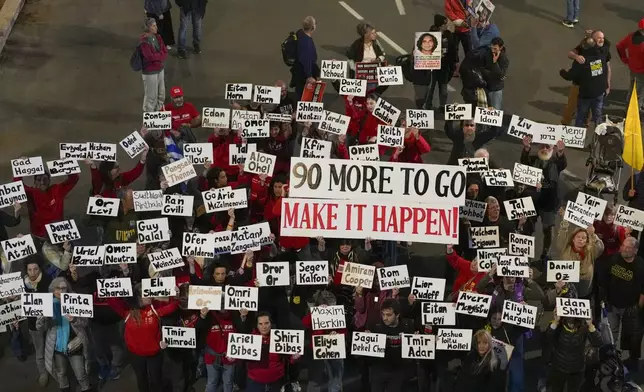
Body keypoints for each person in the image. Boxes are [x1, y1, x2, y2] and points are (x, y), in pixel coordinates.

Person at [597, 237, 644, 372]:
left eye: (628, 247)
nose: (624, 249)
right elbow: (603, 279)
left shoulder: (640, 264)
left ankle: (632, 360)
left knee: (633, 336)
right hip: (612, 304)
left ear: (635, 251)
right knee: (610, 333)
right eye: (623, 246)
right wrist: (603, 299)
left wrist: (639, 306)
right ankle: (609, 358)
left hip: (631, 307)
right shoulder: (614, 259)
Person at [36, 277, 92, 392]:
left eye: (63, 288)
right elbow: (40, 328)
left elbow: (85, 322)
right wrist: (42, 319)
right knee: (61, 372)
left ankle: (86, 388)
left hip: (75, 343)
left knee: (80, 373)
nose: (60, 291)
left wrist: (74, 319)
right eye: (57, 288)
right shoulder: (47, 303)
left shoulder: (75, 300)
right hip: (57, 346)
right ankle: (64, 388)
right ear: (52, 289)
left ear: (68, 289)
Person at [520, 137, 567, 258]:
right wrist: (526, 148)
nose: (545, 149)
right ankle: (524, 254)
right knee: (528, 227)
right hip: (532, 201)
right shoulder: (533, 159)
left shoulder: (556, 162)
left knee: (548, 229)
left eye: (548, 147)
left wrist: (561, 152)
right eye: (542, 146)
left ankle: (545, 254)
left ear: (553, 148)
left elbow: (562, 164)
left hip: (549, 202)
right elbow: (524, 163)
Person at [13, 170, 79, 244]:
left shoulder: (57, 189)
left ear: (49, 181)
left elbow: (73, 179)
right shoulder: (31, 193)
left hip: (57, 234)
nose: (42, 182)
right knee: (39, 254)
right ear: (34, 182)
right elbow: (17, 185)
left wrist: (68, 165)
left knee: (63, 254)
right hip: (39, 236)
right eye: (38, 180)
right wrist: (21, 167)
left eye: (45, 179)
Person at [561, 30, 612, 125]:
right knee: (597, 115)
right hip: (598, 91)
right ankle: (598, 134)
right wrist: (576, 56)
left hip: (584, 90)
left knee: (580, 113)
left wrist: (562, 72)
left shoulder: (583, 60)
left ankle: (578, 130)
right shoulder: (602, 53)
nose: (601, 40)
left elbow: (571, 75)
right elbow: (570, 53)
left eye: (602, 38)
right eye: (599, 38)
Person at [547, 308, 602, 392]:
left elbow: (598, 342)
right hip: (559, 368)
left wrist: (590, 324)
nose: (571, 317)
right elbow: (547, 337)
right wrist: (555, 321)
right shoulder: (558, 325)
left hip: (577, 370)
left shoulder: (584, 327)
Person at [367, 298, 414, 392]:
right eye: (383, 314)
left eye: (388, 315)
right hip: (378, 370)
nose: (385, 318)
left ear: (397, 315)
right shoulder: (375, 326)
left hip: (397, 372)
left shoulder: (407, 326)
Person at [246, 312, 300, 392]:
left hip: (276, 383)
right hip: (255, 383)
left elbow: (289, 358)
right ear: (257, 325)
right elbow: (241, 356)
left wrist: (294, 357)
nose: (263, 327)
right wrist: (232, 357)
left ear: (271, 323)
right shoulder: (249, 339)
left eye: (266, 323)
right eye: (260, 324)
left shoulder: (281, 338)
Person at [412, 14, 456, 111]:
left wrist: (453, 65)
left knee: (443, 89)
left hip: (444, 68)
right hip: (432, 68)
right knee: (430, 88)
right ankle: (428, 105)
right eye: (445, 23)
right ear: (440, 25)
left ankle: (442, 106)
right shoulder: (430, 35)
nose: (447, 25)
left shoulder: (449, 35)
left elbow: (453, 51)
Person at [23, 255, 53, 387]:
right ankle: (43, 373)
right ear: (26, 271)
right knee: (39, 350)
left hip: (49, 322)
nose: (33, 273)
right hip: (33, 325)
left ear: (40, 269)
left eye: (35, 269)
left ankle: (55, 371)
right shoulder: (21, 285)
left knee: (52, 348)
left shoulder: (47, 280)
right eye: (30, 270)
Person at [347, 21, 386, 93]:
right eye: (372, 33)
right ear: (366, 34)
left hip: (373, 75)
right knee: (360, 96)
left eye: (375, 32)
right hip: (360, 75)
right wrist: (355, 68)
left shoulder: (376, 43)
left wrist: (378, 59)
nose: (375, 34)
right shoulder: (357, 44)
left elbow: (382, 54)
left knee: (371, 94)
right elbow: (350, 58)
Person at [140, 18, 168, 112]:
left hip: (160, 69)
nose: (156, 27)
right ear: (148, 28)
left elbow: (165, 51)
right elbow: (150, 57)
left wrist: (158, 56)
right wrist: (160, 56)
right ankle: (149, 117)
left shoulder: (158, 37)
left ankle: (158, 114)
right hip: (150, 72)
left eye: (156, 25)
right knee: (151, 96)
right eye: (153, 26)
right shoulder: (144, 41)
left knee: (161, 94)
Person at [617, 18, 644, 112]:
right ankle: (635, 111)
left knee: (632, 88)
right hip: (642, 72)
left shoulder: (631, 36)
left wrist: (624, 58)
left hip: (633, 68)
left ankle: (628, 107)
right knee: (639, 92)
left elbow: (619, 46)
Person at [291, 16, 320, 100]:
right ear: (312, 27)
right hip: (304, 74)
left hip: (299, 70)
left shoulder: (300, 33)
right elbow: (306, 60)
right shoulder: (306, 42)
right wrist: (309, 76)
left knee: (299, 92)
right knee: (304, 95)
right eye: (315, 24)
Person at [480, 37, 509, 110]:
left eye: (495, 49)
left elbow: (500, 75)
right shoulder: (486, 54)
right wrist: (492, 75)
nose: (492, 51)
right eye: (491, 48)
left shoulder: (504, 59)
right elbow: (481, 68)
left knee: (496, 111)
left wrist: (495, 62)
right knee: (484, 110)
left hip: (496, 89)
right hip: (486, 87)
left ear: (501, 47)